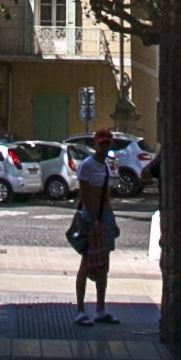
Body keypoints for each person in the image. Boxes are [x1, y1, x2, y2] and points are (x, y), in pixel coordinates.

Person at [70, 126, 124, 320]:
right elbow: (84, 194)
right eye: (101, 143)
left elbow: (106, 197)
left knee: (103, 264)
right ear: (95, 144)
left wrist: (112, 221)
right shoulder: (87, 166)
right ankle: (80, 309)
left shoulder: (106, 167)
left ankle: (101, 308)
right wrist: (92, 221)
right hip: (90, 219)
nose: (104, 146)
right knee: (86, 263)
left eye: (107, 143)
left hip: (104, 218)